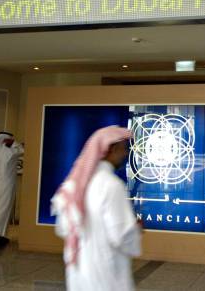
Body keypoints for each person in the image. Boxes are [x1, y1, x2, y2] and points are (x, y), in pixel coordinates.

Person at [52, 125, 142, 291]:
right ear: (110, 150)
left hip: (78, 269)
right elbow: (120, 236)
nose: (125, 154)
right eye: (123, 149)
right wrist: (136, 228)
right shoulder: (111, 185)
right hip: (105, 272)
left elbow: (63, 228)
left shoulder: (71, 185)